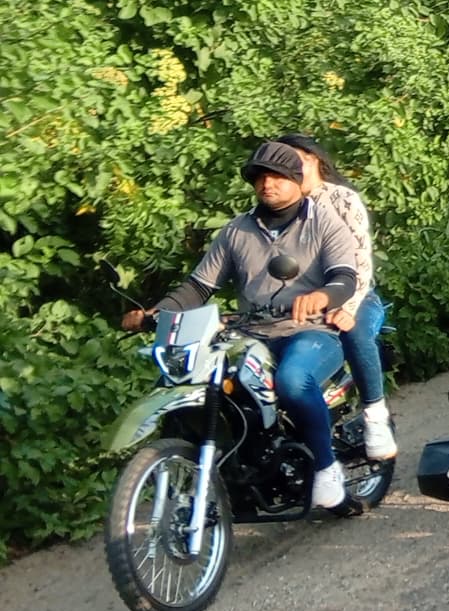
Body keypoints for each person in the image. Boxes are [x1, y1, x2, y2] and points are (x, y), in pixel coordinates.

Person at [122, 142, 376, 507]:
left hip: (312, 331)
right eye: (259, 177)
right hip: (250, 335)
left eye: (276, 176)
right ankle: (235, 468)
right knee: (204, 384)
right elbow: (197, 287)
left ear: (295, 178)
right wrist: (153, 313)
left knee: (292, 381)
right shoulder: (236, 231)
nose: (266, 183)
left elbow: (345, 278)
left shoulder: (324, 221)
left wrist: (322, 297)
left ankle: (325, 467)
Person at [273, 135, 397, 463]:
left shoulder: (342, 199)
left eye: (291, 159)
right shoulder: (281, 209)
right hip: (302, 306)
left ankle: (375, 415)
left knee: (354, 330)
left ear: (312, 160)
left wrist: (347, 306)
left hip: (355, 297)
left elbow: (360, 258)